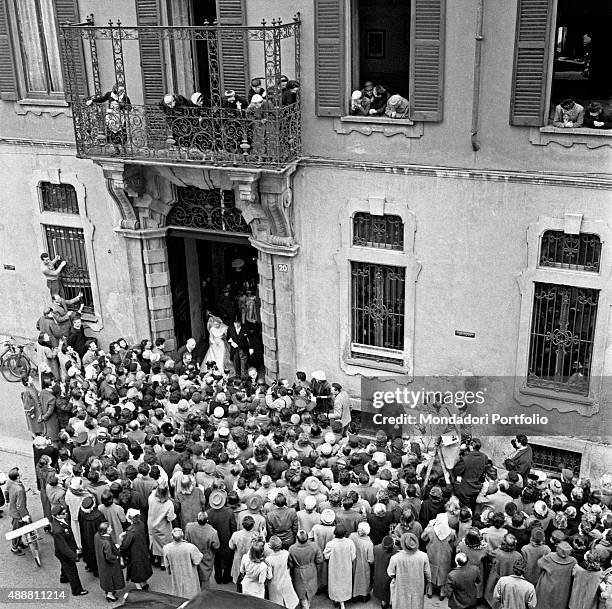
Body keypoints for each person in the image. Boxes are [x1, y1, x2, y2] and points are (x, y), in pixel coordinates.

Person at [50, 504, 88, 596]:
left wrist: (75, 546)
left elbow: (69, 537)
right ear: (57, 516)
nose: (66, 514)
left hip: (65, 552)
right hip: (65, 554)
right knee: (72, 571)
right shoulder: (58, 530)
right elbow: (63, 547)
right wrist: (74, 556)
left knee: (65, 566)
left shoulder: (62, 521)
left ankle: (64, 578)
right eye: (63, 513)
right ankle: (77, 590)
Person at [387, 532, 431, 609]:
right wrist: (428, 583)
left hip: (401, 586)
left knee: (401, 604)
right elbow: (428, 574)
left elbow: (390, 573)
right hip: (417, 585)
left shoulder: (395, 558)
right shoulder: (423, 556)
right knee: (416, 603)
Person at [86, 83, 132, 155]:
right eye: (120, 90)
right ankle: (116, 150)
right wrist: (93, 100)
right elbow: (102, 99)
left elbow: (129, 108)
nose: (121, 91)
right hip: (110, 117)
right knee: (111, 134)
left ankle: (124, 151)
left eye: (122, 90)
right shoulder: (109, 94)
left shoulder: (125, 97)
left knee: (121, 134)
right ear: (115, 88)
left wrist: (124, 105)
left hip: (120, 118)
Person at [163, 527, 203, 599]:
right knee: (192, 594)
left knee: (178, 593)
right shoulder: (190, 547)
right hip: (190, 575)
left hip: (176, 575)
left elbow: (166, 565)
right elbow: (197, 560)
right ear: (182, 535)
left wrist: (169, 572)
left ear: (172, 536)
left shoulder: (166, 548)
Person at [534, 540, 576, 609]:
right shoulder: (573, 561)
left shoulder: (550, 557)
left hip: (547, 586)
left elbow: (539, 563)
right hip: (562, 590)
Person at [206, 489, 236, 584]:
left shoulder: (208, 513)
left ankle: (218, 578)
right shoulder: (229, 512)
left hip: (214, 540)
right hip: (227, 539)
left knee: (216, 559)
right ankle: (226, 578)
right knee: (228, 559)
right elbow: (233, 527)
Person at [323, 524, 356, 609]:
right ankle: (343, 601)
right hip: (346, 567)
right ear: (345, 534)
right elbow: (353, 557)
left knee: (335, 583)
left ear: (335, 534)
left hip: (334, 568)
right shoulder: (350, 542)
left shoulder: (330, 544)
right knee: (345, 583)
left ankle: (336, 600)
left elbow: (326, 556)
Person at [288, 529, 323, 609]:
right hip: (311, 571)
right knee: (310, 589)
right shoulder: (314, 546)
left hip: (298, 573)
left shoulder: (292, 549)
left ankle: (305, 606)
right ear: (307, 538)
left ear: (297, 538)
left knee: (301, 593)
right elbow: (319, 560)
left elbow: (290, 564)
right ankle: (307, 605)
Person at [119, 509, 153, 591]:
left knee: (135, 572)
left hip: (134, 554)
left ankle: (139, 589)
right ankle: (144, 583)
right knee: (143, 568)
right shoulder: (141, 524)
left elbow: (125, 545)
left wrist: (121, 540)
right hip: (142, 549)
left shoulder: (131, 531)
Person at [185, 511, 220, 589]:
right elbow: (216, 546)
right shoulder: (212, 532)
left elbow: (186, 539)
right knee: (205, 577)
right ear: (207, 520)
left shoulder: (189, 527)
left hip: (193, 553)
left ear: (197, 519)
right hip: (206, 556)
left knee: (194, 572)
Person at [453, 438, 489, 508]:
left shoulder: (465, 459)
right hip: (477, 487)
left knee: (464, 506)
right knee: (472, 506)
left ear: (471, 446)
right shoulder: (485, 457)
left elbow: (456, 472)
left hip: (465, 490)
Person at [147, 481, 176, 569]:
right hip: (163, 526)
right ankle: (163, 562)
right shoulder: (169, 503)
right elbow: (170, 518)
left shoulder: (151, 498)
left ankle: (156, 558)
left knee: (154, 541)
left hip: (152, 524)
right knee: (164, 544)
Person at [94, 521, 125, 602]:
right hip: (109, 565)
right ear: (106, 530)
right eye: (110, 528)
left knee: (106, 578)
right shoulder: (107, 543)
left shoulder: (97, 535)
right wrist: (117, 556)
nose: (111, 529)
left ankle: (109, 591)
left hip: (102, 562)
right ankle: (110, 595)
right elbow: (109, 557)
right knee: (111, 579)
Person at [266, 535, 299, 608]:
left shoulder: (269, 559)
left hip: (275, 583)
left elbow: (270, 576)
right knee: (289, 601)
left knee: (277, 603)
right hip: (285, 580)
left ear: (271, 547)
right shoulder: (286, 553)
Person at [78, 495, 105, 576]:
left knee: (88, 551)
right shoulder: (98, 516)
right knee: (97, 553)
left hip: (85, 535)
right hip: (96, 538)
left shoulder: (81, 512)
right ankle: (97, 570)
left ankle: (90, 566)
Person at [6, 467, 29, 555]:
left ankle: (19, 543)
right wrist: (24, 517)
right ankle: (14, 548)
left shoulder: (10, 482)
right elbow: (20, 506)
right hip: (18, 514)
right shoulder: (19, 490)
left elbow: (6, 492)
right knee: (17, 531)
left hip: (13, 510)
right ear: (18, 477)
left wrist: (7, 501)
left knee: (19, 529)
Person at [349, 521, 374, 602]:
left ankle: (354, 596)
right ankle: (364, 596)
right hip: (363, 565)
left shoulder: (352, 536)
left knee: (353, 579)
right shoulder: (369, 543)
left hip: (352, 562)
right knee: (364, 581)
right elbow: (371, 559)